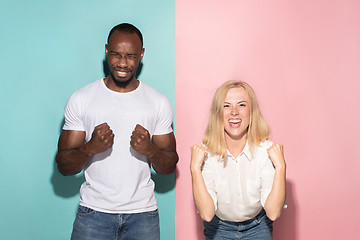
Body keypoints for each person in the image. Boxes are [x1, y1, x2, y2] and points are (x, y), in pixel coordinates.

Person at [56, 23, 178, 240]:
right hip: (93, 213)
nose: (122, 63)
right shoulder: (82, 99)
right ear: (106, 51)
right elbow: (64, 166)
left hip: (143, 214)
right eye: (116, 54)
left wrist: (150, 150)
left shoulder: (158, 102)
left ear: (141, 54)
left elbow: (169, 166)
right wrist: (90, 148)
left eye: (131, 56)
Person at [190, 80, 286, 240]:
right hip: (218, 227)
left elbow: (274, 212)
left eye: (241, 105)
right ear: (217, 113)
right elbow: (207, 214)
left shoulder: (267, 151)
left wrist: (281, 167)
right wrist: (194, 168)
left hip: (258, 225)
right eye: (226, 106)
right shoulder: (205, 153)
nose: (234, 112)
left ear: (252, 111)